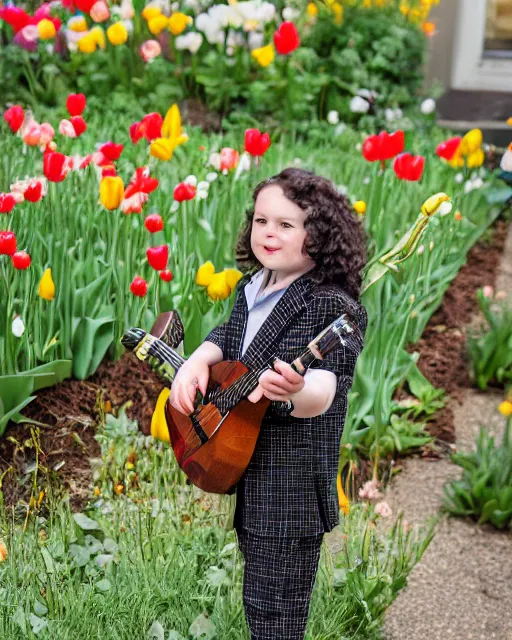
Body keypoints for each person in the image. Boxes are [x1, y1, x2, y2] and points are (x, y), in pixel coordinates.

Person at [169, 167, 368, 640]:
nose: (268, 234)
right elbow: (229, 336)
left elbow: (326, 385)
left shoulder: (330, 306)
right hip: (246, 462)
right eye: (261, 221)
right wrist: (197, 360)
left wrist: (297, 391)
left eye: (286, 225)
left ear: (318, 235)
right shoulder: (253, 286)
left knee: (277, 610)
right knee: (259, 597)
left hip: (291, 484)